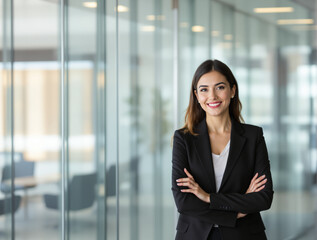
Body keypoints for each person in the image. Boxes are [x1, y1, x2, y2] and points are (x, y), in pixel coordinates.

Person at [171, 59, 273, 240]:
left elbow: (263, 198)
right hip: (195, 235)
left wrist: (208, 197)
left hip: (245, 235)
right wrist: (236, 212)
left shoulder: (253, 136)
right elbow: (184, 202)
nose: (212, 96)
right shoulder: (184, 138)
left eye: (220, 87)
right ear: (196, 95)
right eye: (204, 89)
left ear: (232, 90)